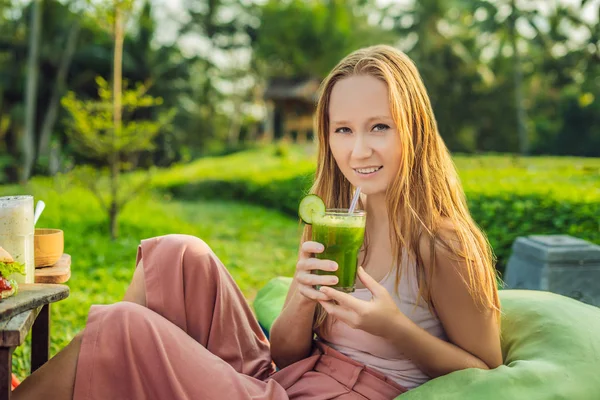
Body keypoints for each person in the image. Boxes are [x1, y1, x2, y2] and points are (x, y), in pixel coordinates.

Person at [13, 44, 502, 400]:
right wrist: (302, 298)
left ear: (412, 127)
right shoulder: (335, 218)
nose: (359, 150)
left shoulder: (443, 243)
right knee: (179, 252)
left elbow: (490, 371)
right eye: (343, 130)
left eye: (379, 126)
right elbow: (286, 355)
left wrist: (394, 328)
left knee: (125, 325)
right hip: (291, 377)